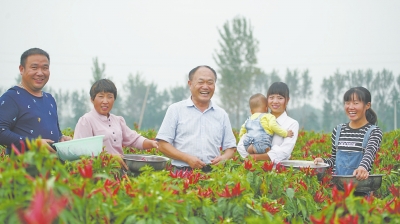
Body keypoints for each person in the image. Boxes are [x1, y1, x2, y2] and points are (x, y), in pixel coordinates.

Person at [156, 65, 237, 172]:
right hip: (182, 172)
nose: (205, 86)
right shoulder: (175, 110)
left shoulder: (221, 114)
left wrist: (223, 158)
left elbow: (231, 147)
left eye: (210, 82)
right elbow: (162, 145)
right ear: (190, 84)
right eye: (200, 82)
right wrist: (187, 158)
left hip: (213, 173)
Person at [0, 48, 71, 154]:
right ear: (21, 69)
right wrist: (32, 143)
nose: (40, 73)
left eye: (45, 68)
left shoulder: (49, 99)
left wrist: (61, 138)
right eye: (34, 68)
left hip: (53, 168)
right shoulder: (12, 97)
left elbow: (53, 131)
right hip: (23, 168)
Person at [73, 79, 158, 158]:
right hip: (98, 172)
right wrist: (112, 158)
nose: (105, 101)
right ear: (92, 99)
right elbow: (81, 153)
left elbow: (134, 140)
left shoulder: (117, 120)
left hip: (119, 171)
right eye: (101, 96)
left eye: (110, 97)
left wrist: (152, 143)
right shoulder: (86, 121)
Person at [314, 87, 383, 182]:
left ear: (367, 105)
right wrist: (323, 162)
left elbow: (369, 154)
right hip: (336, 189)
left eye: (355, 103)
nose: (350, 107)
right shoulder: (338, 130)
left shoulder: (374, 132)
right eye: (347, 103)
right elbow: (334, 161)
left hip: (359, 189)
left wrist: (362, 168)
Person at [237, 82, 299, 163]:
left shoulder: (292, 124)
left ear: (287, 100)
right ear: (267, 100)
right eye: (271, 97)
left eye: (280, 98)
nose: (275, 101)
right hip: (254, 171)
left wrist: (253, 156)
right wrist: (271, 152)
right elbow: (241, 146)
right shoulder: (257, 119)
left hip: (277, 172)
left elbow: (284, 152)